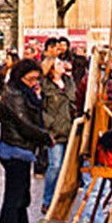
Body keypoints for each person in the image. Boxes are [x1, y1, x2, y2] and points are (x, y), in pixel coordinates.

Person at [0, 58, 51, 223]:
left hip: (23, 150)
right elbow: (24, 123)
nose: (34, 83)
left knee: (21, 198)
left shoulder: (27, 93)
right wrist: (45, 137)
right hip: (15, 149)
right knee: (14, 199)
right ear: (20, 77)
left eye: (36, 79)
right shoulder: (14, 94)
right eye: (31, 79)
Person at [40, 52, 76, 212]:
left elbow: (74, 101)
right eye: (58, 64)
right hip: (54, 131)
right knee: (55, 166)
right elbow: (41, 108)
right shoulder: (45, 85)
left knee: (66, 167)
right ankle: (47, 199)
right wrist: (50, 124)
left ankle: (60, 198)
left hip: (69, 128)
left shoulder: (69, 82)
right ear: (51, 69)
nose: (62, 65)